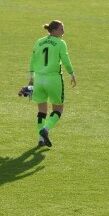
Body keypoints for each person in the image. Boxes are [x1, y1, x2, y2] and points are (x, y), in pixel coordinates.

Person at [20, 20, 76, 148]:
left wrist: (31, 78)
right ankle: (46, 129)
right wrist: (72, 74)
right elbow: (66, 60)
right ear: (54, 30)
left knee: (41, 110)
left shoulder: (39, 41)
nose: (63, 31)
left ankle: (40, 139)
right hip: (53, 79)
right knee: (58, 109)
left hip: (39, 79)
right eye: (62, 29)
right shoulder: (60, 43)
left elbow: (32, 60)